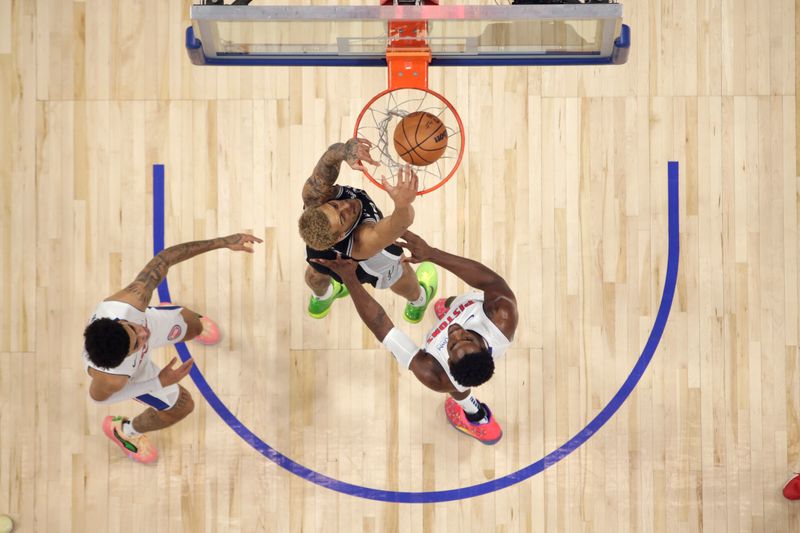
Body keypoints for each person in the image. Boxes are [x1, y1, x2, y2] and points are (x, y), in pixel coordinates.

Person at [312, 230, 518, 444]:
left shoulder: (436, 374)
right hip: (474, 306)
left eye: (452, 344)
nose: (456, 332)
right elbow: (491, 281)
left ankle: (475, 416)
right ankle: (446, 309)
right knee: (450, 304)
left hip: (452, 373)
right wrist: (431, 253)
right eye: (467, 338)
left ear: (448, 360)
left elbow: (382, 325)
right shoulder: (501, 316)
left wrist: (350, 280)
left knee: (455, 387)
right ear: (483, 347)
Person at [82, 233, 263, 463]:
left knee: (194, 326)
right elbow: (100, 399)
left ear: (119, 320)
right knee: (182, 406)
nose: (143, 334)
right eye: (137, 342)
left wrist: (222, 242)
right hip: (136, 374)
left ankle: (169, 317)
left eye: (133, 328)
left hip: (141, 323)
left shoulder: (129, 304)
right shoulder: (113, 378)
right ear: (125, 357)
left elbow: (165, 259)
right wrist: (158, 382)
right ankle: (125, 431)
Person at [298, 138, 437, 323]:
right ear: (340, 235)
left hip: (321, 255)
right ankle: (419, 300)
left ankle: (323, 297)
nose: (346, 205)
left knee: (315, 274)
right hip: (366, 265)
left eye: (335, 205)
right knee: (400, 272)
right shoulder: (363, 241)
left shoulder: (315, 198)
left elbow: (328, 160)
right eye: (342, 217)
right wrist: (402, 205)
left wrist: (347, 151)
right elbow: (400, 223)